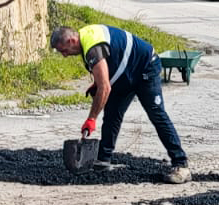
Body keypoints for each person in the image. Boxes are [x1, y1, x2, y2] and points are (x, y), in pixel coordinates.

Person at [51, 24, 190, 184]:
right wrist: (98, 83)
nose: (65, 56)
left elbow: (105, 87)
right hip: (127, 73)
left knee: (157, 115)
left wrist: (91, 119)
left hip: (145, 67)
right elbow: (108, 66)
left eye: (64, 51)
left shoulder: (93, 47)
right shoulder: (85, 36)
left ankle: (181, 165)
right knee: (112, 113)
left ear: (71, 40)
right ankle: (103, 160)